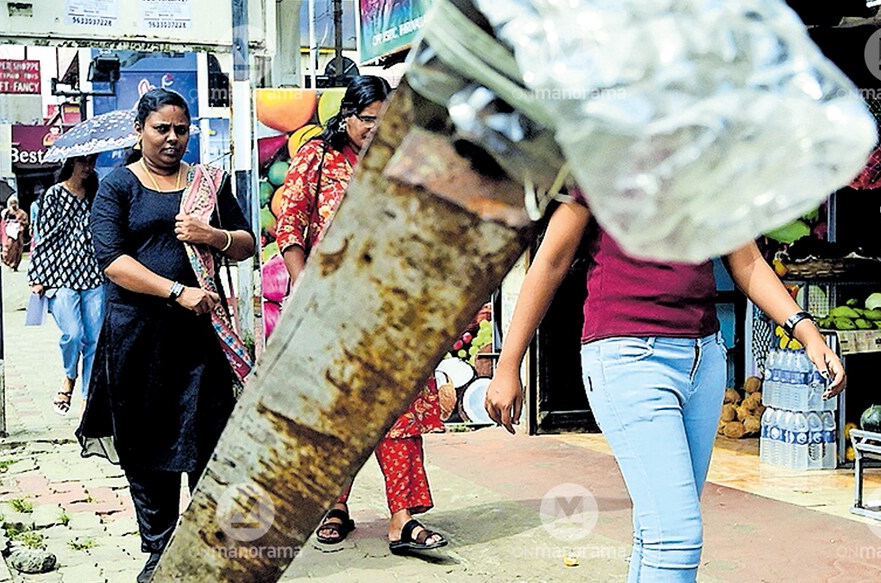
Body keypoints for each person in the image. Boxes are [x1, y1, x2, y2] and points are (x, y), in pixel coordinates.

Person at [484, 194, 847, 582]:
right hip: (629, 358)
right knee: (677, 536)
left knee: (657, 531)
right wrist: (508, 363)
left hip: (704, 359)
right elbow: (551, 262)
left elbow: (747, 261)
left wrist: (807, 332)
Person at [78, 88, 255, 583]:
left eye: (181, 129)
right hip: (138, 338)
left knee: (208, 442)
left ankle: (204, 546)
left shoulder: (207, 184)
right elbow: (112, 261)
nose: (173, 138)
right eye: (162, 129)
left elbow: (246, 243)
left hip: (201, 342)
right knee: (147, 444)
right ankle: (158, 550)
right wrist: (178, 291)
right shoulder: (117, 187)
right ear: (139, 131)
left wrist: (212, 236)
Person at [276, 75, 448, 554]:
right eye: (367, 118)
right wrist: (303, 284)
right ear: (347, 115)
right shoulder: (317, 157)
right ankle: (334, 507)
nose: (376, 128)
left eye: (385, 120)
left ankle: (403, 519)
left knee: (399, 411)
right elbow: (289, 224)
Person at [28, 155, 104, 416]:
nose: (88, 167)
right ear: (71, 163)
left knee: (95, 339)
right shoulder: (54, 195)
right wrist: (38, 277)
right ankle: (69, 377)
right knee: (72, 334)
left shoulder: (98, 193)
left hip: (94, 273)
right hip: (61, 274)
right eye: (83, 162)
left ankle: (87, 399)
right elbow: (43, 238)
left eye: (91, 162)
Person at [1, 195, 29, 271]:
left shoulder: (22, 213)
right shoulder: (7, 212)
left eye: (14, 203)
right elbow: (3, 222)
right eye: (11, 203)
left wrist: (19, 222)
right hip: (10, 235)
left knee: (18, 250)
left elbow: (26, 222)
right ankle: (8, 262)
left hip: (19, 234)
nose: (13, 205)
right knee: (9, 249)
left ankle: (15, 265)